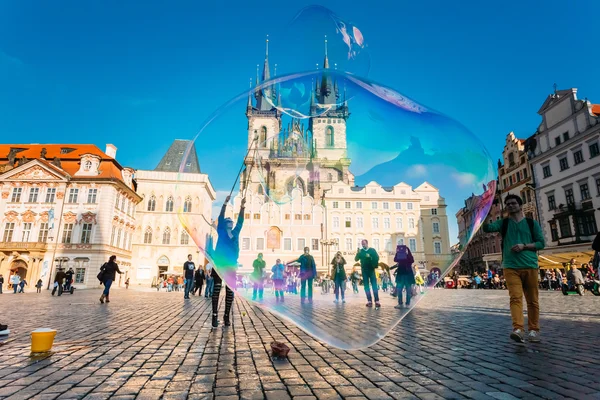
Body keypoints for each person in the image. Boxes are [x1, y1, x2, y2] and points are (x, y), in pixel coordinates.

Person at [482, 194, 545, 343]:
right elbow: (487, 228)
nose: (510, 205)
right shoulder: (503, 223)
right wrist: (485, 212)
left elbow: (541, 243)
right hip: (510, 266)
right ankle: (518, 329)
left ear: (520, 205)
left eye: (513, 203)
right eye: (508, 204)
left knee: (532, 300)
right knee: (515, 298)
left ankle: (534, 330)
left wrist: (525, 246)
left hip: (530, 265)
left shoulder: (531, 223)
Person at [211, 195, 246, 328]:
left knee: (230, 292)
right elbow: (220, 217)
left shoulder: (235, 233)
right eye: (229, 220)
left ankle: (226, 316)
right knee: (217, 289)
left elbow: (241, 221)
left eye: (232, 220)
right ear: (225, 224)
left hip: (231, 266)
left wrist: (242, 207)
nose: (231, 221)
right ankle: (214, 316)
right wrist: (225, 203)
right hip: (219, 264)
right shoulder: (221, 231)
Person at [355, 239, 381, 308]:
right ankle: (369, 301)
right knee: (366, 286)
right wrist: (358, 253)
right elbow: (356, 259)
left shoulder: (372, 250)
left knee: (374, 286)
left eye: (364, 244)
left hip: (371, 270)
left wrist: (370, 257)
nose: (363, 245)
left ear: (367, 243)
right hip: (364, 270)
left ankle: (377, 301)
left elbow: (377, 258)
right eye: (362, 244)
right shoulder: (361, 251)